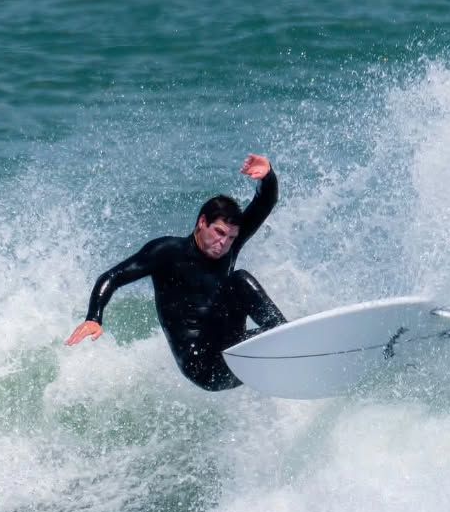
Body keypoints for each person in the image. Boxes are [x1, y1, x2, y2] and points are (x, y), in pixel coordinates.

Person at [64, 154, 288, 391]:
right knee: (240, 279)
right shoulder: (168, 252)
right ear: (202, 222)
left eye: (231, 237)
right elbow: (113, 277)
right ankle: (284, 340)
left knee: (238, 281)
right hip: (204, 365)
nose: (224, 243)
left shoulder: (228, 248)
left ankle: (286, 339)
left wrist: (268, 176)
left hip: (235, 353)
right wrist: (94, 317)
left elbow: (264, 203)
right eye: (219, 233)